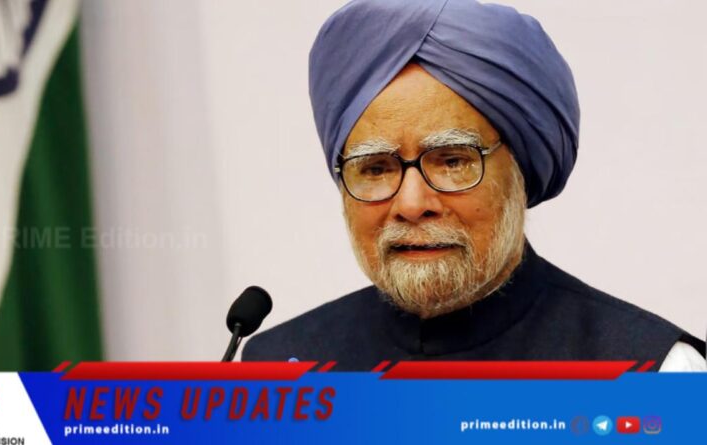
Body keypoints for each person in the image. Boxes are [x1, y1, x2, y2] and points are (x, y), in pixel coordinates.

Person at [242, 0, 706, 371]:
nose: (411, 204)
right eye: (377, 168)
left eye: (452, 161)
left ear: (519, 171)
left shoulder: (650, 374)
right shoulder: (278, 372)